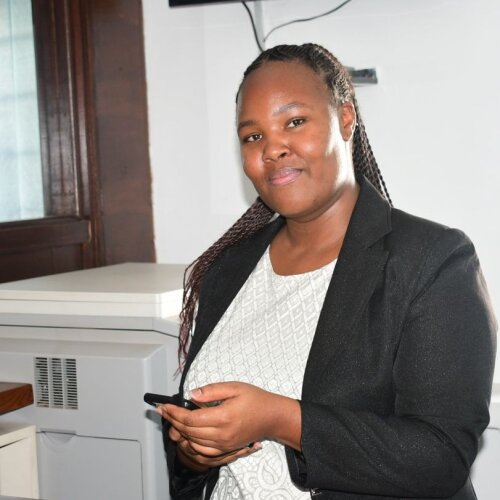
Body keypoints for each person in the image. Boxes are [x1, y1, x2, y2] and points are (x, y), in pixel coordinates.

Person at [157, 44, 497, 499]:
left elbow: (441, 456)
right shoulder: (228, 266)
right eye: (253, 136)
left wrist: (281, 419)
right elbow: (190, 457)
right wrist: (195, 453)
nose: (273, 148)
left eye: (294, 122)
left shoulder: (431, 260)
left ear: (346, 118)